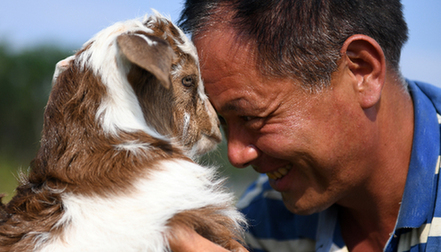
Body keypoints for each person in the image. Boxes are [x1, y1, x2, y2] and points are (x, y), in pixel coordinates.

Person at [169, 0, 441, 251]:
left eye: (252, 118)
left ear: (362, 71)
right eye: (223, 123)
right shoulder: (264, 219)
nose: (236, 155)